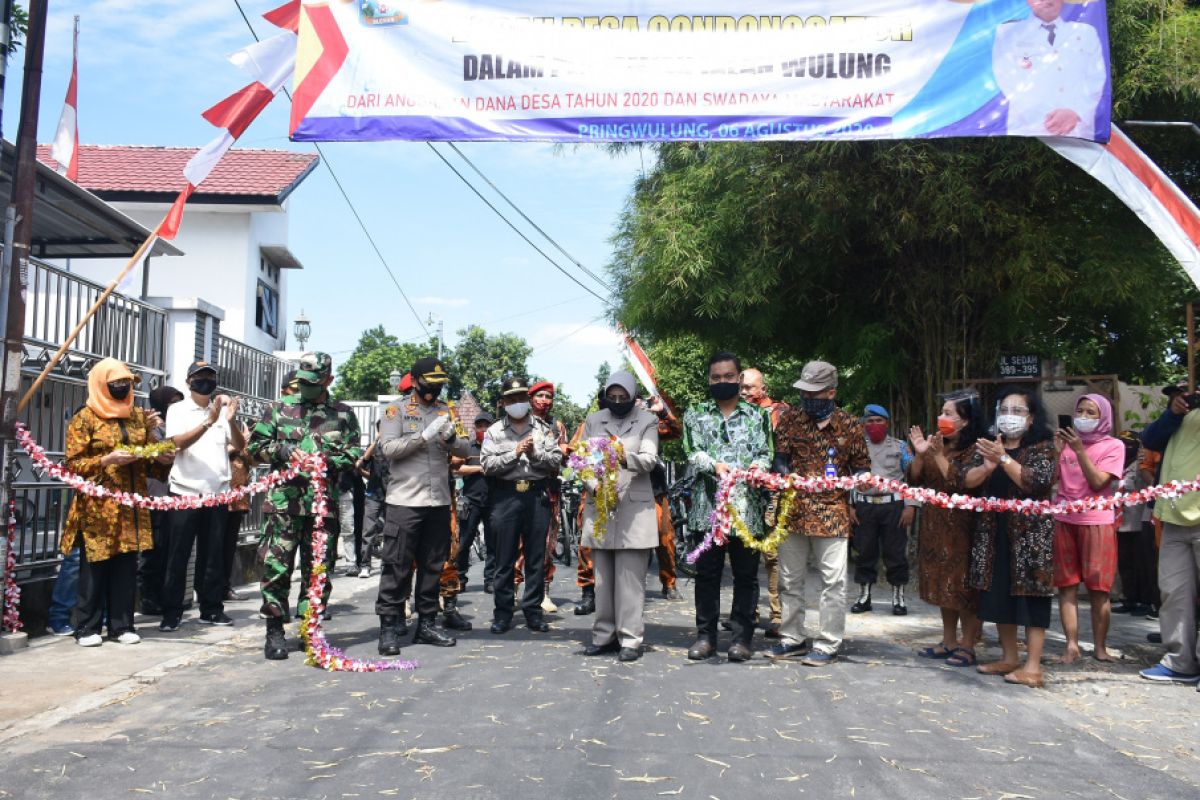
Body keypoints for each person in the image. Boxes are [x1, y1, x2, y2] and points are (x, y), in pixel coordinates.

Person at [247, 351, 362, 661]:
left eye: (313, 383)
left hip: (322, 508)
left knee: (318, 571)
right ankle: (274, 631)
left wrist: (324, 461)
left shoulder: (342, 414)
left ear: (328, 380)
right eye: (302, 383)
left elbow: (353, 455)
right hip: (283, 505)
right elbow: (254, 448)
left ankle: (310, 631)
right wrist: (284, 451)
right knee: (276, 568)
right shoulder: (279, 409)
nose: (306, 388)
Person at [62, 358, 172, 646]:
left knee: (126, 566)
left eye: (127, 384)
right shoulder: (85, 418)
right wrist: (106, 459)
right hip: (98, 508)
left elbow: (151, 464)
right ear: (101, 385)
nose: (123, 388)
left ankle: (122, 625)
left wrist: (161, 457)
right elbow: (72, 465)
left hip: (130, 506)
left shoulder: (137, 417)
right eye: (116, 384)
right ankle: (87, 627)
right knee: (95, 567)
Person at [769, 361, 870, 666]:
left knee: (833, 584)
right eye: (804, 392)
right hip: (794, 512)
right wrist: (787, 475)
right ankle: (792, 639)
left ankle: (828, 643)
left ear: (831, 393)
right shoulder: (789, 420)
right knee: (789, 580)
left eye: (814, 393)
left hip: (832, 514)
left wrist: (861, 480)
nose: (807, 399)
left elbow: (862, 466)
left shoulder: (850, 425)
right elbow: (780, 459)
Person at [372, 357, 472, 654]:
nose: (435, 386)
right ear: (414, 380)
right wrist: (423, 436)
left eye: (439, 381)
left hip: (439, 500)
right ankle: (389, 627)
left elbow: (467, 448)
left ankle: (427, 623)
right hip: (405, 501)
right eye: (430, 380)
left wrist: (452, 438)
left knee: (432, 566)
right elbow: (388, 449)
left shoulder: (447, 410)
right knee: (397, 565)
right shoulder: (396, 410)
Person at [682, 352, 773, 663]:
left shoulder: (758, 416)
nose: (722, 382)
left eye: (728, 377)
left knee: (746, 577)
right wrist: (713, 465)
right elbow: (691, 451)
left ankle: (742, 639)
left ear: (739, 379)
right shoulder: (694, 414)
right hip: (707, 509)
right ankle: (705, 637)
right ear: (709, 380)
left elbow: (765, 453)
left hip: (746, 510)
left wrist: (756, 470)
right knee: (707, 575)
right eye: (716, 378)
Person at [965, 386, 1057, 689]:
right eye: (1004, 410)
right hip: (993, 533)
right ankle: (1008, 657)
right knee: (999, 594)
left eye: (1017, 411)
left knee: (1030, 599)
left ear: (1031, 419)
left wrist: (1004, 459)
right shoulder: (990, 445)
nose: (1009, 416)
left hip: (1030, 538)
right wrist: (988, 465)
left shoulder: (1043, 447)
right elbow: (964, 481)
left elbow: (1036, 482)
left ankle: (1033, 667)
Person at [579, 371, 660, 662]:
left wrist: (621, 455)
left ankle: (630, 639)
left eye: (622, 397)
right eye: (611, 397)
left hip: (633, 506)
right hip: (600, 503)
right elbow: (583, 460)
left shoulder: (647, 420)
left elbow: (650, 459)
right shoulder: (594, 420)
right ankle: (603, 636)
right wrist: (594, 483)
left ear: (632, 395)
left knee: (630, 580)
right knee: (602, 578)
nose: (617, 401)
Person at [160, 361, 243, 631]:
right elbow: (177, 444)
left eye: (210, 377)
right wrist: (208, 421)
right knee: (178, 555)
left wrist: (229, 422)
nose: (205, 381)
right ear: (189, 382)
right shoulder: (178, 409)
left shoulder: (222, 411)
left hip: (216, 493)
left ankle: (211, 608)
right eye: (200, 377)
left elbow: (240, 446)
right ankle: (172, 612)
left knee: (213, 556)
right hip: (185, 491)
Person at [907, 391, 986, 667]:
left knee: (964, 587)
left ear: (965, 421)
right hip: (934, 526)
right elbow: (915, 480)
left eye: (949, 413)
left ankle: (968, 645)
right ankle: (948, 641)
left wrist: (939, 456)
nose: (941, 417)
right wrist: (919, 455)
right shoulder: (935, 444)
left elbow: (961, 482)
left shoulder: (978, 449)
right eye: (941, 411)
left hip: (965, 529)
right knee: (944, 585)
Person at [481, 377, 564, 634]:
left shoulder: (542, 429)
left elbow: (555, 460)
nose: (516, 403)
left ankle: (533, 612)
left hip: (536, 496)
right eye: (511, 399)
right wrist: (514, 453)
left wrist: (534, 454)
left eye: (520, 398)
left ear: (527, 400)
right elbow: (487, 465)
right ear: (503, 402)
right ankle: (503, 613)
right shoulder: (494, 431)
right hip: (505, 497)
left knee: (535, 559)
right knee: (504, 559)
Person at [1052, 393, 1124, 664]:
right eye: (1080, 411)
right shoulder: (1066, 445)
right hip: (1065, 520)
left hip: (1097, 522)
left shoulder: (1113, 446)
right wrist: (1059, 453)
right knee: (1066, 586)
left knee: (1099, 588)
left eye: (1091, 412)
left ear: (1103, 416)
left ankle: (1100, 647)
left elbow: (1097, 482)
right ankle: (1071, 645)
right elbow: (1055, 481)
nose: (1083, 417)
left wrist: (1080, 450)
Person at [1138, 384, 1200, 685]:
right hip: (1173, 516)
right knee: (1174, 592)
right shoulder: (1184, 408)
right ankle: (1180, 661)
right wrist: (1173, 413)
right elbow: (1149, 439)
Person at [991, 0, 1106, 138]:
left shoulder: (1086, 33)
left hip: (1076, 129)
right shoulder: (1009, 32)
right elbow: (1007, 78)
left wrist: (1076, 112)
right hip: (1029, 130)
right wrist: (1049, 120)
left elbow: (1096, 78)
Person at [849, 403, 916, 616]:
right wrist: (849, 506)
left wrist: (911, 506)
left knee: (895, 552)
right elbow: (847, 479)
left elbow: (913, 477)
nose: (874, 425)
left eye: (879, 421)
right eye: (870, 421)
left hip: (893, 505)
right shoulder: (856, 447)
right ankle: (864, 596)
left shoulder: (900, 447)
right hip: (864, 507)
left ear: (886, 423)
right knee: (864, 551)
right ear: (863, 424)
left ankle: (898, 597)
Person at [514, 380, 569, 613]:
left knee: (547, 543)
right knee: (518, 543)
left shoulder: (557, 427)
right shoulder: (520, 422)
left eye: (549, 397)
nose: (545, 401)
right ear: (530, 398)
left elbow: (564, 457)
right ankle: (514, 591)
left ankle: (544, 593)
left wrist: (569, 454)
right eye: (540, 396)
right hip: (522, 487)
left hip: (550, 490)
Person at [740, 368, 787, 635]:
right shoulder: (734, 414)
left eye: (750, 387)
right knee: (745, 554)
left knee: (773, 556)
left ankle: (778, 616)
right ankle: (749, 613)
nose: (745, 392)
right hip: (745, 493)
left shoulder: (779, 413)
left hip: (772, 493)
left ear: (763, 389)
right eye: (742, 388)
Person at [137, 385, 184, 616]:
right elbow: (163, 456)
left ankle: (165, 595)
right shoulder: (150, 426)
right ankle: (148, 597)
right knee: (152, 549)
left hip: (173, 494)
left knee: (168, 548)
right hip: (153, 493)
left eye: (178, 402)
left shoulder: (179, 425)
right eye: (171, 403)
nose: (175, 407)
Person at [454, 413, 494, 591]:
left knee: (493, 543)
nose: (483, 429)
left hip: (494, 501)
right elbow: (457, 468)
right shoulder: (468, 448)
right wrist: (479, 469)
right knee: (464, 541)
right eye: (480, 426)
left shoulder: (497, 447)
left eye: (487, 426)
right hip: (471, 501)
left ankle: (490, 580)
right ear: (475, 428)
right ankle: (460, 577)